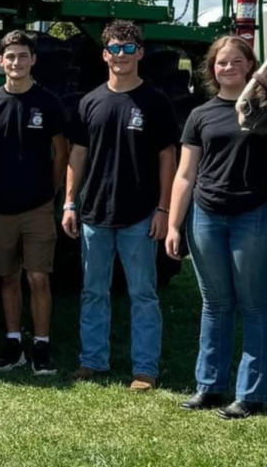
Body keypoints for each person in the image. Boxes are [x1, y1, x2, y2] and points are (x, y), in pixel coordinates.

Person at [165, 35, 267, 419]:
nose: (227, 68)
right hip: (206, 217)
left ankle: (251, 394)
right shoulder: (200, 116)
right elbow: (185, 174)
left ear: (250, 66)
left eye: (235, 62)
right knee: (215, 305)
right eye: (220, 63)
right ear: (211, 69)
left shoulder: (265, 113)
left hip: (255, 216)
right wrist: (173, 224)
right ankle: (210, 386)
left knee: (256, 306)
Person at [63, 20, 178, 391]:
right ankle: (92, 361)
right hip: (94, 213)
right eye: (115, 48)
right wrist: (68, 203)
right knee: (93, 291)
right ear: (104, 54)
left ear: (140, 53)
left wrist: (163, 209)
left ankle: (144, 368)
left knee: (142, 293)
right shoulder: (89, 102)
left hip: (140, 215)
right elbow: (76, 156)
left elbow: (168, 159)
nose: (121, 56)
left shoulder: (156, 102)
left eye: (129, 49)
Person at [0, 30, 69, 375]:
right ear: (1, 61)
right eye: (10, 56)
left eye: (23, 56)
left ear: (33, 60)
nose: (16, 62)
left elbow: (60, 153)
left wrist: (50, 192)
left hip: (37, 206)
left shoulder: (48, 102)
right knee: (7, 278)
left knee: (38, 278)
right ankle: (13, 342)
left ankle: (41, 345)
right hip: (0, 206)